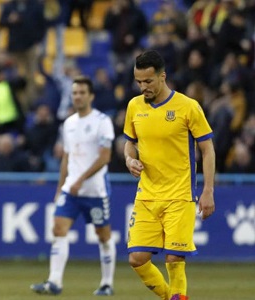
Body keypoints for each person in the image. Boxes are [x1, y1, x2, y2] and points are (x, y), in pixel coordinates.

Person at [123, 50, 215, 300]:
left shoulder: (187, 107)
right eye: (139, 81)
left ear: (163, 76)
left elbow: (207, 149)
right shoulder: (134, 106)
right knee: (137, 259)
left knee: (174, 257)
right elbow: (129, 143)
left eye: (148, 81)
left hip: (179, 196)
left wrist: (207, 191)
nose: (143, 87)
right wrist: (130, 159)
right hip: (147, 195)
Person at [31, 76, 117, 296]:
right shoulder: (68, 123)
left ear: (91, 96)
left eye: (82, 93)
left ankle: (107, 283)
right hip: (71, 190)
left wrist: (81, 180)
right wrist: (61, 187)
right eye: (75, 93)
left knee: (103, 235)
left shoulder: (102, 122)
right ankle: (54, 282)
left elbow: (105, 157)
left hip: (95, 191)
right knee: (58, 229)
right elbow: (66, 159)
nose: (78, 96)